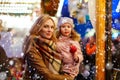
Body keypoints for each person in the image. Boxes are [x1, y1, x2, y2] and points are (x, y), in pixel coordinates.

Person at [22, 14, 74, 80]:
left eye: (52, 27)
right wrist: (68, 78)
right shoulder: (32, 46)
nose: (50, 30)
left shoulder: (54, 45)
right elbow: (47, 75)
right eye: (46, 27)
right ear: (38, 28)